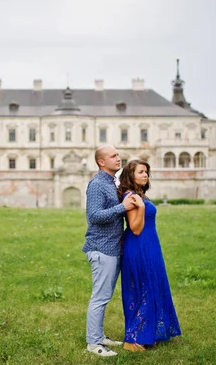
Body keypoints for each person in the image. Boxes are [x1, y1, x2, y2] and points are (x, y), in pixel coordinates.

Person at [118, 159, 181, 352]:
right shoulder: (131, 196)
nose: (145, 175)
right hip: (139, 245)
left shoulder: (140, 194)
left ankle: (147, 333)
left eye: (146, 172)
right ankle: (132, 339)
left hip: (150, 245)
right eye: (141, 172)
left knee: (152, 286)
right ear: (131, 175)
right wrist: (143, 208)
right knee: (142, 288)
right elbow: (135, 229)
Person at [83, 146, 137, 357]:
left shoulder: (111, 183)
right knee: (100, 297)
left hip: (113, 248)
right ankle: (93, 343)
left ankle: (99, 335)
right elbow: (94, 216)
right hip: (101, 248)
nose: (118, 158)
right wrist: (122, 207)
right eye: (113, 156)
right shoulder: (97, 184)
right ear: (101, 162)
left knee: (104, 296)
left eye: (118, 155)